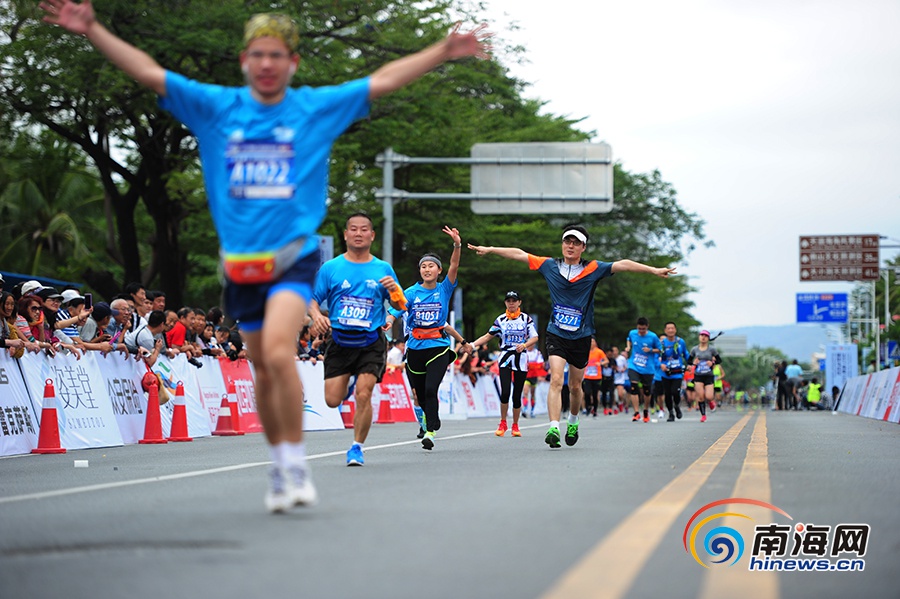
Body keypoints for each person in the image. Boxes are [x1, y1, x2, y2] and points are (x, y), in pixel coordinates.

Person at [42, 1, 490, 511]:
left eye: (277, 54)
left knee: (278, 354)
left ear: (292, 63)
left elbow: (382, 80)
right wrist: (93, 28)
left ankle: (293, 463)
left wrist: (444, 51)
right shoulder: (216, 106)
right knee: (262, 367)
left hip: (292, 259)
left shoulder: (312, 108)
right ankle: (283, 461)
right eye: (258, 54)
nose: (268, 63)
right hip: (240, 266)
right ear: (244, 60)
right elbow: (149, 71)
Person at [468, 225, 676, 448]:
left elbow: (623, 264)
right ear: (562, 244)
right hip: (556, 334)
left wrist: (653, 270)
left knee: (576, 387)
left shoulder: (593, 268)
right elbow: (519, 253)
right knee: (557, 379)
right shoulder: (550, 266)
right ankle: (554, 427)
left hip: (582, 336)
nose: (570, 245)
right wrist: (490, 249)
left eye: (576, 243)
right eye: (567, 241)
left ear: (583, 247)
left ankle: (573, 421)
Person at [309, 213, 406, 466]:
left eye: (364, 229)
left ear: (372, 235)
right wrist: (316, 316)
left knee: (364, 395)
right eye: (353, 229)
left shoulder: (382, 268)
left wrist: (394, 291)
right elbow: (310, 299)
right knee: (332, 401)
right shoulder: (331, 268)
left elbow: (400, 304)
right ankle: (349, 382)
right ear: (345, 234)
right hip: (340, 341)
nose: (359, 233)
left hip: (371, 341)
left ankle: (356, 447)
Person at [388, 226, 472, 450]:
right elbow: (397, 308)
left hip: (438, 347)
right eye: (423, 266)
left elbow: (455, 265)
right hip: (415, 348)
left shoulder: (444, 289)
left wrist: (457, 244)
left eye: (431, 266)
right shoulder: (411, 292)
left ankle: (431, 431)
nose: (426, 269)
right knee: (419, 394)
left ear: (438, 270)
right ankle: (427, 420)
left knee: (430, 389)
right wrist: (388, 319)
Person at [471, 290, 539, 437]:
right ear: (505, 303)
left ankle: (515, 425)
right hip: (505, 358)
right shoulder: (501, 320)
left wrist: (525, 345)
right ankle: (503, 422)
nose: (511, 303)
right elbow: (488, 336)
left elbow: (535, 337)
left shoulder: (525, 319)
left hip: (521, 358)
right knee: (505, 391)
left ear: (519, 302)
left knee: (517, 394)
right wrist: (472, 345)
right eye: (509, 301)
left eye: (514, 300)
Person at [625, 317, 661, 423]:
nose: (641, 331)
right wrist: (628, 347)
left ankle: (645, 410)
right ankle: (636, 412)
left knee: (647, 391)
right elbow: (628, 339)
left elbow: (660, 349)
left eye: (643, 329)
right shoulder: (632, 333)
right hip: (634, 364)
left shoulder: (653, 336)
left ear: (647, 327)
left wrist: (650, 350)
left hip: (647, 368)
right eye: (639, 328)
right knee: (633, 386)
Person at [658, 322, 690, 421]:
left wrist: (690, 363)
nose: (670, 330)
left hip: (677, 373)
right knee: (667, 394)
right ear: (665, 331)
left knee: (675, 392)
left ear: (675, 330)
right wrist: (660, 364)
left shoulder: (681, 342)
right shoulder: (661, 343)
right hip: (665, 373)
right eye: (668, 328)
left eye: (672, 328)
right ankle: (671, 413)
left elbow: (686, 354)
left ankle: (677, 406)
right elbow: (655, 357)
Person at [689, 330, 721, 422]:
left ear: (708, 338)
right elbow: (689, 361)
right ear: (699, 337)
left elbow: (719, 360)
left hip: (708, 375)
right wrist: (693, 363)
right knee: (701, 396)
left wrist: (712, 362)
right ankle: (703, 415)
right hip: (698, 375)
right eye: (702, 335)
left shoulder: (712, 349)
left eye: (705, 336)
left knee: (709, 396)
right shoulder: (695, 349)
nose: (703, 337)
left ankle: (711, 402)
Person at [581, 338, 607, 418]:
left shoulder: (599, 352)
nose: (591, 343)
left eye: (593, 342)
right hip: (587, 376)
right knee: (587, 392)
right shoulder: (586, 351)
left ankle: (595, 409)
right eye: (590, 342)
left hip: (596, 376)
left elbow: (606, 361)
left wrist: (600, 363)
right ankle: (588, 407)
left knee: (595, 394)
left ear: (595, 343)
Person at [0, 291, 28, 357]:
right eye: (6, 304)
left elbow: (20, 351)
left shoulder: (7, 326)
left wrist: (9, 346)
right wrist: (9, 343)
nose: (10, 308)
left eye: (12, 304)